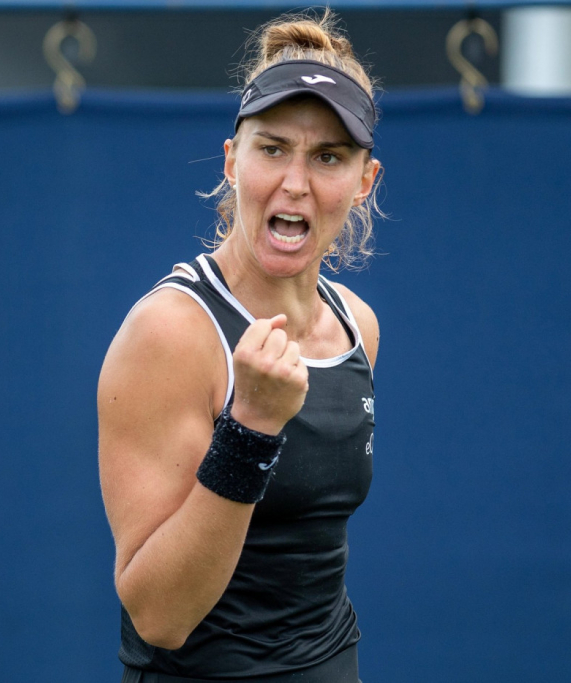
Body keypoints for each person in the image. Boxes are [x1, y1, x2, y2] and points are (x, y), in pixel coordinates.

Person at [98, 10, 383, 682]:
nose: (295, 182)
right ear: (232, 161)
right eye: (273, 148)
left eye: (329, 157)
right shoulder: (170, 332)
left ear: (364, 180)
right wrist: (250, 429)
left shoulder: (359, 327)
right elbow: (159, 616)